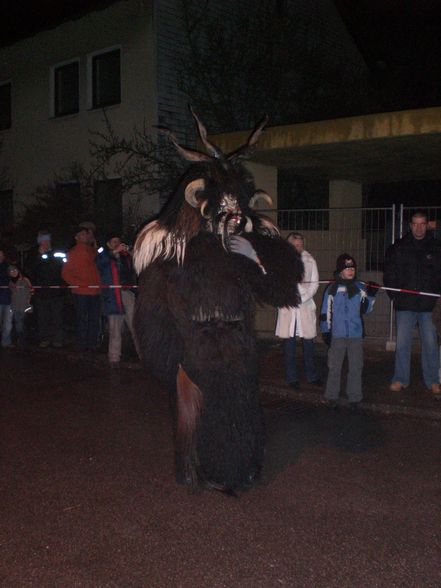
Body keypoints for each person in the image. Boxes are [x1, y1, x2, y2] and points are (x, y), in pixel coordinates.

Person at [384, 210, 441, 396]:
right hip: (405, 305)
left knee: (431, 344)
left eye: (422, 223)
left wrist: (436, 298)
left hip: (428, 306)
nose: (418, 227)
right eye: (415, 223)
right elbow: (389, 275)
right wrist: (396, 297)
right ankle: (400, 379)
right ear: (410, 225)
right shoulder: (398, 247)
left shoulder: (436, 247)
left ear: (427, 225)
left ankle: (432, 380)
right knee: (402, 344)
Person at [320, 254, 377, 410]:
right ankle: (331, 396)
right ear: (340, 270)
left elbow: (366, 309)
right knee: (334, 366)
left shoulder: (360, 287)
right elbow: (325, 312)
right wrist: (326, 331)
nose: (350, 271)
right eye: (347, 268)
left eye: (352, 268)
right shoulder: (332, 289)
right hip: (337, 334)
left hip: (355, 334)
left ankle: (354, 397)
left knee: (356, 367)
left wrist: (371, 295)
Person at [275, 232, 321, 389]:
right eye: (296, 245)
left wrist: (303, 297)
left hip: (305, 306)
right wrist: (287, 297)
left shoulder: (310, 261)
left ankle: (312, 376)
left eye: (301, 244)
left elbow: (314, 284)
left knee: (308, 344)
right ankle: (292, 378)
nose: (299, 247)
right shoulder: (281, 262)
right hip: (289, 308)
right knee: (289, 345)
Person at [96, 232, 138, 367]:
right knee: (115, 328)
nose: (117, 244)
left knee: (135, 325)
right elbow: (100, 263)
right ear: (108, 244)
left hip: (127, 293)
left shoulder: (126, 257)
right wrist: (114, 253)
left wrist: (130, 253)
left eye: (118, 242)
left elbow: (136, 269)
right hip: (113, 296)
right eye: (114, 242)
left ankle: (143, 355)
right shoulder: (104, 255)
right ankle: (114, 357)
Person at [62, 226, 102, 352]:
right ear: (77, 237)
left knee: (93, 319)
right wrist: (78, 284)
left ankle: (92, 344)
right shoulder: (72, 253)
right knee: (82, 318)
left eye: (86, 234)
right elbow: (65, 274)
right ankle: (82, 344)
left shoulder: (92, 251)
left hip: (95, 291)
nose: (86, 236)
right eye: (83, 234)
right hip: (81, 292)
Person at [25, 230, 66, 348]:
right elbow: (29, 270)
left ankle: (58, 339)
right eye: (42, 240)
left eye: (47, 240)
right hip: (41, 292)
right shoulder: (33, 253)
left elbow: (64, 266)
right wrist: (39, 256)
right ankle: (45, 339)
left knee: (57, 317)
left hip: (57, 291)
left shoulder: (58, 251)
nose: (45, 242)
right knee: (43, 317)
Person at [8, 264, 33, 348]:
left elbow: (31, 291)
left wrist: (28, 302)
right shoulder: (10, 282)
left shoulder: (25, 280)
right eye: (11, 271)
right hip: (15, 306)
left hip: (24, 305)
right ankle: (21, 340)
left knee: (22, 324)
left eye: (15, 270)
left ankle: (23, 341)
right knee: (18, 324)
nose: (13, 272)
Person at [0, 248, 13, 348]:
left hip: (8, 299)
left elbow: (16, 278)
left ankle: (6, 342)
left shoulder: (8, 267)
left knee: (8, 324)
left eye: (1, 255)